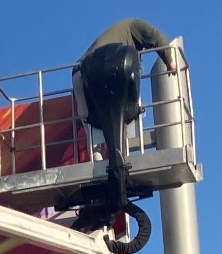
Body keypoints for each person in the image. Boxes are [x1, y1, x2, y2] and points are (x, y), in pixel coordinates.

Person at [72, 19, 178, 207]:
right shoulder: (133, 27)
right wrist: (169, 61)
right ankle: (120, 158)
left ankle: (99, 160)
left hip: (81, 73)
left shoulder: (115, 37)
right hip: (109, 69)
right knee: (127, 110)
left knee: (90, 118)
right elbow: (155, 36)